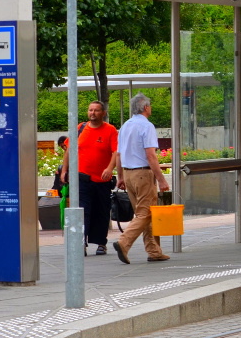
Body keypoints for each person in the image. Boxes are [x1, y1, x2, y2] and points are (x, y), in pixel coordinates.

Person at [113, 94, 170, 264]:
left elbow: (118, 154)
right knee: (145, 213)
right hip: (143, 174)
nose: (150, 108)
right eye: (150, 105)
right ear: (145, 107)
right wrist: (161, 179)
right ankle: (124, 242)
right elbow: (151, 155)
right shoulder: (147, 126)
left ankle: (153, 250)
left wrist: (121, 176)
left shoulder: (125, 126)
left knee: (143, 213)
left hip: (129, 174)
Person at [59, 101, 119, 256]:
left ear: (103, 113)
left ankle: (101, 243)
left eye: (96, 110)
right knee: (82, 211)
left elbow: (116, 152)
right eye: (90, 110)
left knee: (101, 211)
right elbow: (68, 151)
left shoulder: (110, 130)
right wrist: (64, 170)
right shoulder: (80, 128)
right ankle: (81, 243)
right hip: (82, 179)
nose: (92, 113)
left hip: (102, 180)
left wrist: (109, 168)